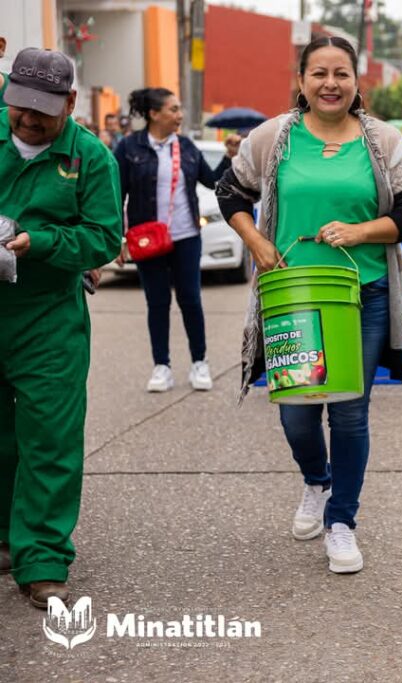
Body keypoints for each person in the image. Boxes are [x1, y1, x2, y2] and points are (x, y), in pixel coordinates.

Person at [216, 36, 402, 574]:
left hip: (366, 294)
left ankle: (342, 522)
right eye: (319, 74)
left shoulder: (383, 140)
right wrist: (257, 243)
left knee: (350, 411)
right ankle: (317, 479)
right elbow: (230, 193)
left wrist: (361, 231)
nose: (330, 84)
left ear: (357, 81)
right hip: (294, 298)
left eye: (341, 73)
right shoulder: (273, 138)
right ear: (302, 80)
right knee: (296, 414)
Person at [0, 47, 122, 608]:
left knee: (49, 437)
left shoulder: (90, 158)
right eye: (18, 106)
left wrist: (41, 242)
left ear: (71, 102)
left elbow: (103, 239)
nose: (27, 118)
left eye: (42, 110)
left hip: (48, 316)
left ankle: (43, 558)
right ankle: (7, 537)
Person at [114, 88, 239, 393]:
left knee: (191, 300)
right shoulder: (129, 148)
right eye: (173, 109)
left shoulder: (186, 146)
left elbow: (212, 182)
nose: (180, 115)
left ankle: (200, 362)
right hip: (146, 239)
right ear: (154, 114)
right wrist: (117, 237)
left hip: (185, 236)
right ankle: (162, 367)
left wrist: (229, 157)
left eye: (180, 109)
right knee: (157, 303)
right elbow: (117, 193)